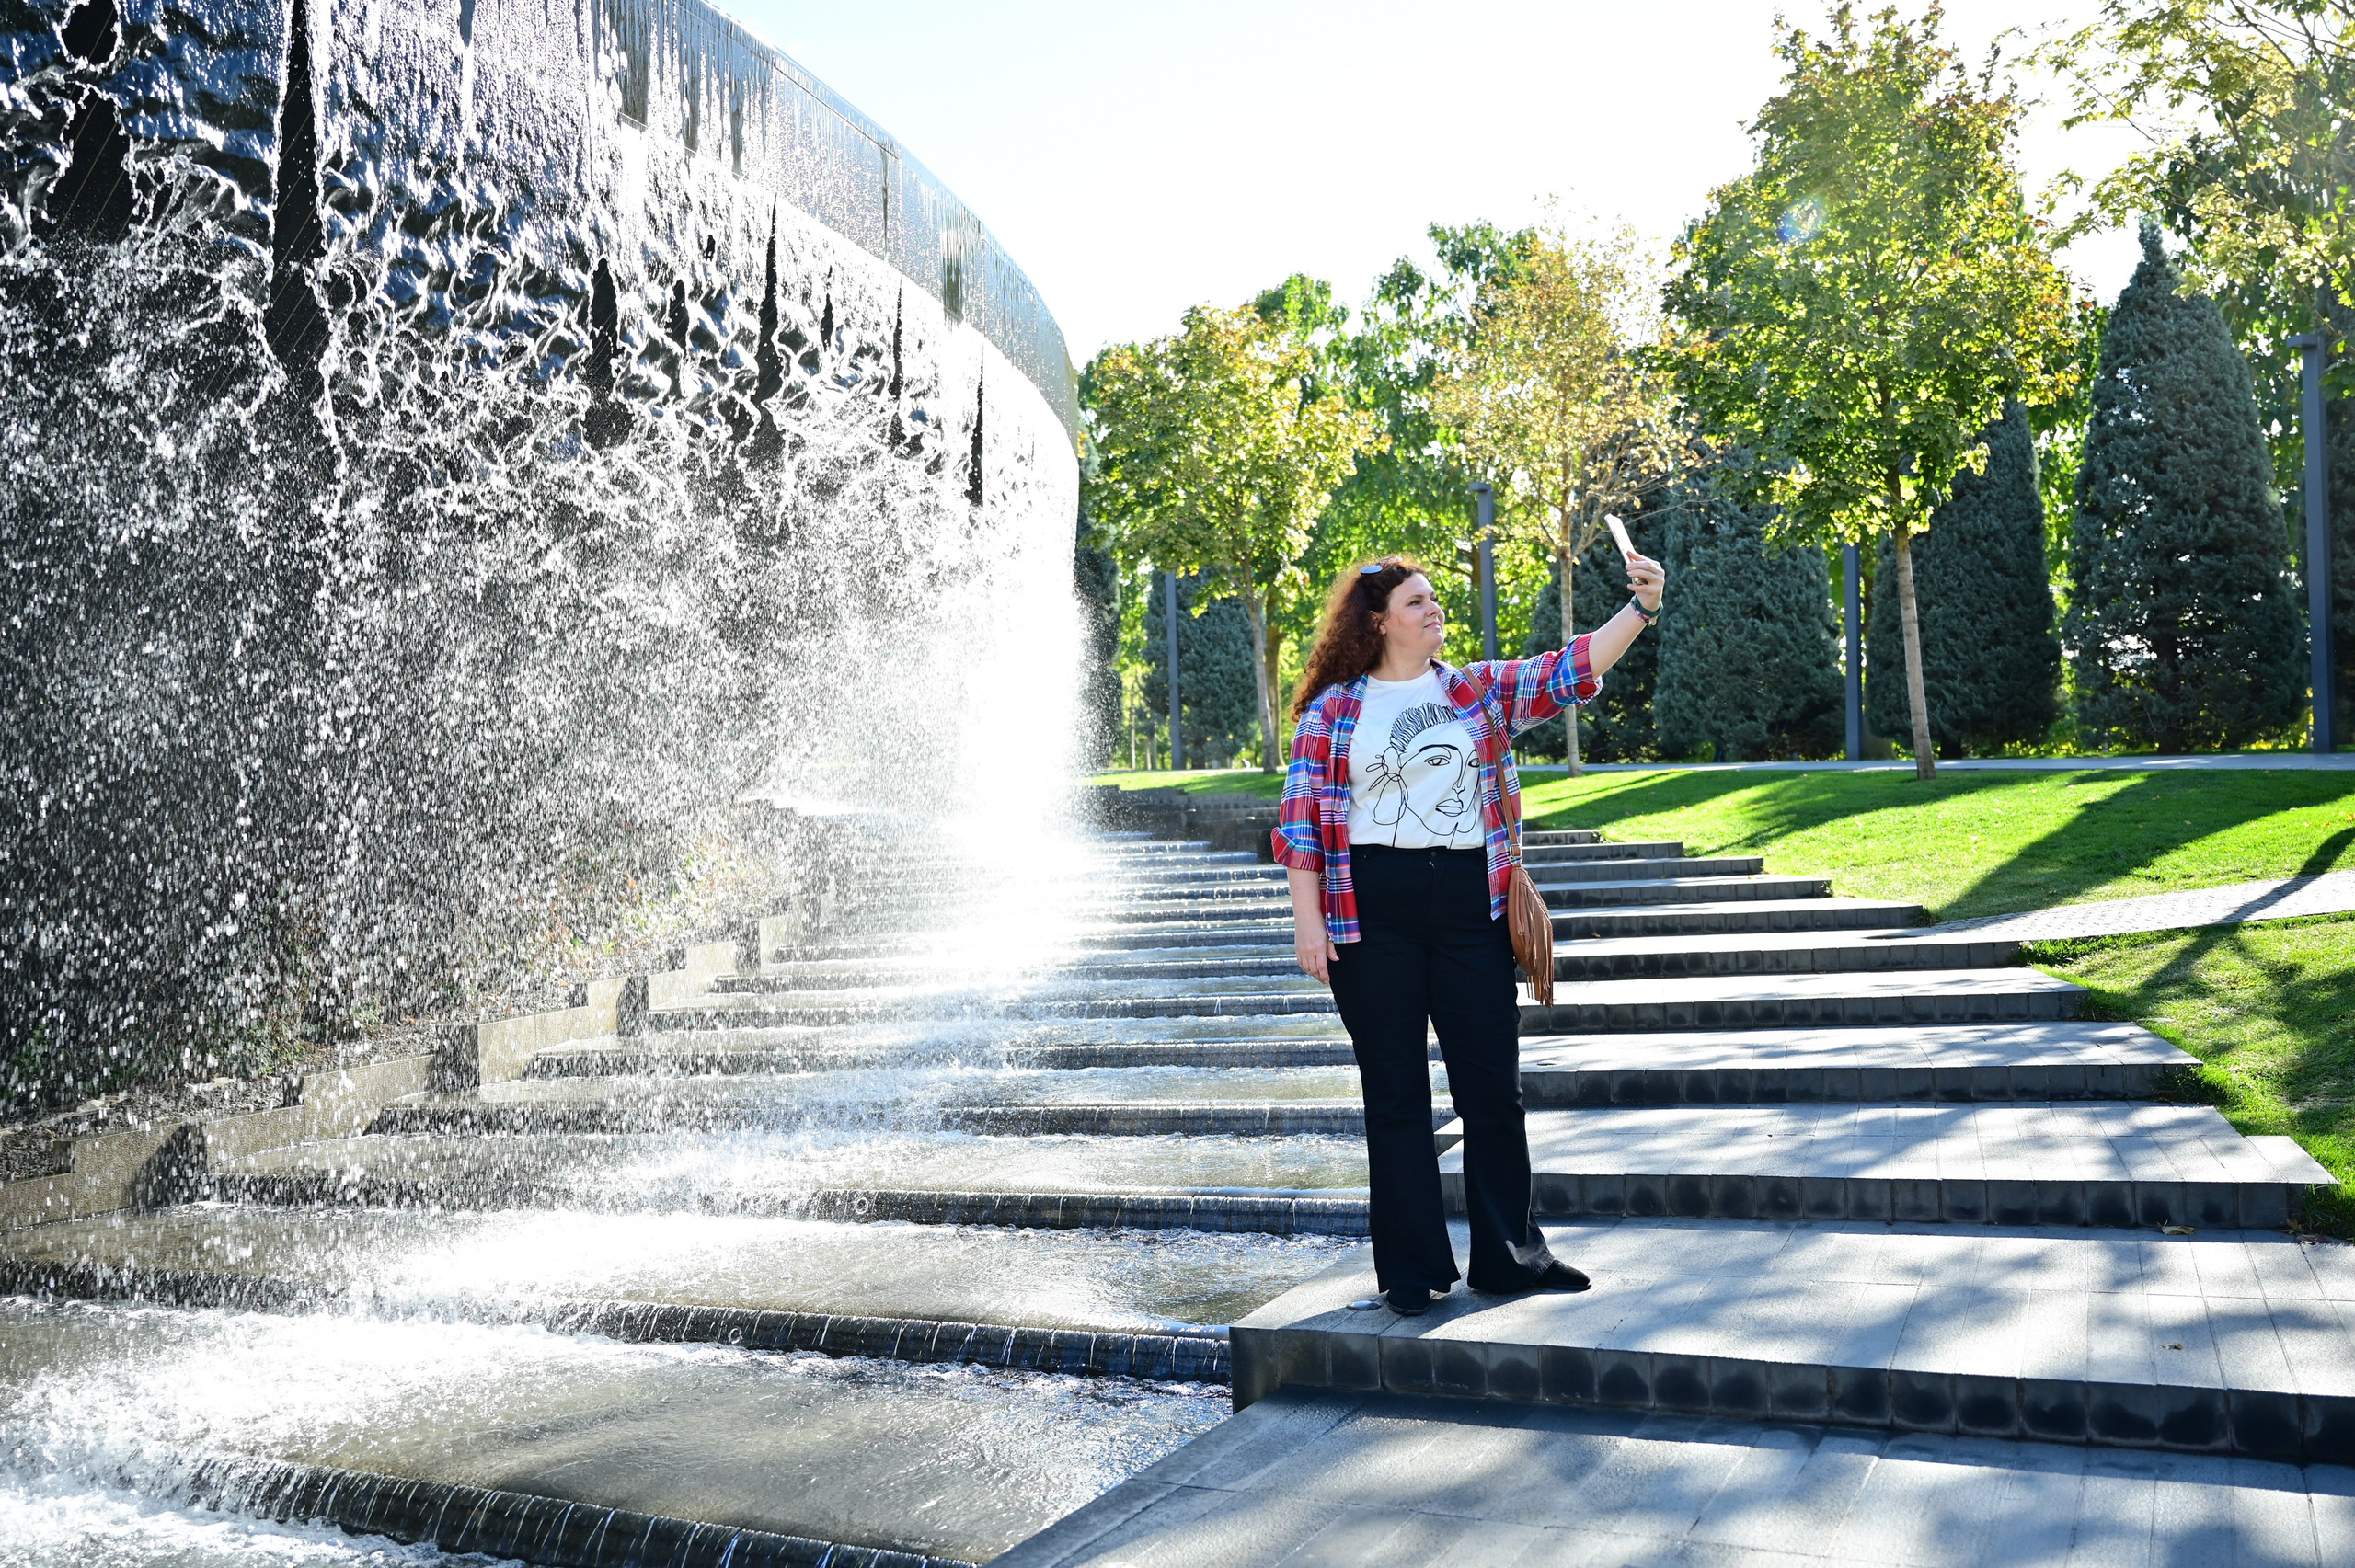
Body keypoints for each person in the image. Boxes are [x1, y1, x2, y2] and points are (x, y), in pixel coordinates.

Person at [1274, 548, 1666, 1315]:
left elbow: (1567, 670)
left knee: (1492, 1088)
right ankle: (1412, 1270)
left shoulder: (1476, 691)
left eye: (1434, 599)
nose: (1434, 610)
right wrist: (1308, 925)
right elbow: (1300, 830)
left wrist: (1641, 610)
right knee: (1395, 1097)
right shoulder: (1333, 713)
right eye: (1417, 603)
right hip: (1369, 912)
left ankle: (1510, 1256)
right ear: (1379, 622)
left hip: (1469, 908)